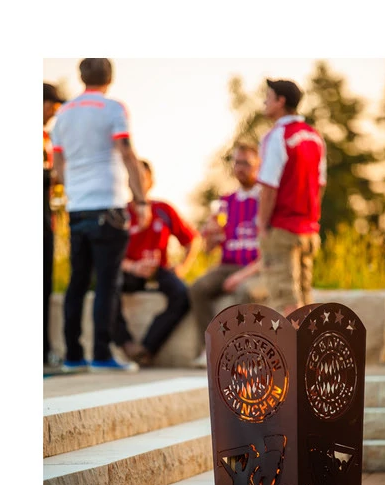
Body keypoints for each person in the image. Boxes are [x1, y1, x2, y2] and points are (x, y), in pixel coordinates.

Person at [51, 58, 149, 372]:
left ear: (81, 77)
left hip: (77, 208)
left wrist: (74, 191)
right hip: (108, 204)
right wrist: (141, 199)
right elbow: (127, 153)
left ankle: (73, 356)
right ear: (110, 77)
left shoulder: (63, 115)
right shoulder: (113, 109)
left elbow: (58, 166)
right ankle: (102, 355)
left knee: (77, 283)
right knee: (107, 284)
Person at [113, 160, 201, 366]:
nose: (137, 182)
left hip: (158, 269)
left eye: (142, 178)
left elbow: (192, 239)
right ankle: (126, 343)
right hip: (130, 270)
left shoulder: (163, 209)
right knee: (108, 288)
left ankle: (147, 348)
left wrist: (182, 266)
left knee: (182, 294)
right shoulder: (120, 214)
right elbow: (109, 256)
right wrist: (132, 266)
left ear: (151, 181)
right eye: (133, 177)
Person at [189, 143, 267, 368]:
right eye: (236, 163)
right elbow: (209, 248)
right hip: (228, 265)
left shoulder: (266, 200)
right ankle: (209, 350)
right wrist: (210, 235)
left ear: (258, 166)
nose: (240, 168)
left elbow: (271, 253)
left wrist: (241, 276)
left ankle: (241, 354)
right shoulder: (226, 202)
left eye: (246, 163)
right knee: (198, 288)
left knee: (245, 292)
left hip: (256, 268)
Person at [256, 78, 327, 318]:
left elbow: (269, 187)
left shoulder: (277, 136)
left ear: (280, 101)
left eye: (268, 97)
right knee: (305, 301)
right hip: (308, 230)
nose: (264, 102)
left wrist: (262, 224)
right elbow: (320, 184)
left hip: (282, 229)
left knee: (285, 302)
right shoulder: (315, 137)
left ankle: (290, 344)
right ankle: (307, 343)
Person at [43, 83, 65, 370]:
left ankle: (44, 349)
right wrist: (55, 175)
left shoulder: (48, 138)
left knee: (45, 288)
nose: (54, 112)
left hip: (47, 220)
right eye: (52, 105)